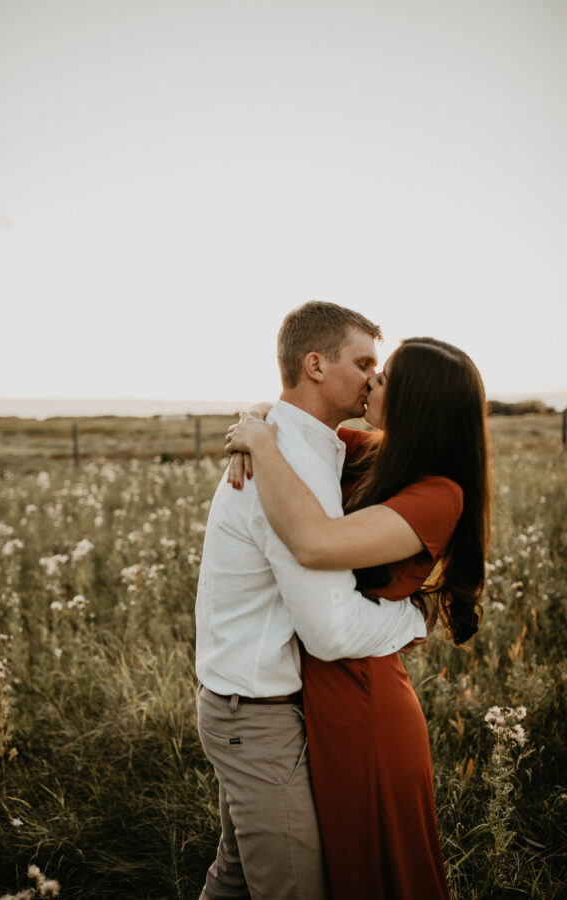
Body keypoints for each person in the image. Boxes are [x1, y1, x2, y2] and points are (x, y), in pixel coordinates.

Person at [225, 336, 491, 900]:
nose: (370, 381)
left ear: (416, 402)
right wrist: (253, 420)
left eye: (385, 376)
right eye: (371, 369)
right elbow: (292, 417)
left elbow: (316, 544)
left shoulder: (439, 494)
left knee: (374, 872)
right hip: (321, 691)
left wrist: (262, 448)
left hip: (365, 709)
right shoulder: (370, 452)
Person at [195, 302, 432, 900]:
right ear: (316, 365)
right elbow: (329, 630)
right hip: (256, 713)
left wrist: (255, 418)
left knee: (235, 877)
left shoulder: (303, 442)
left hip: (250, 702)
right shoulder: (291, 459)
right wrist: (413, 616)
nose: (373, 380)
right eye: (364, 363)